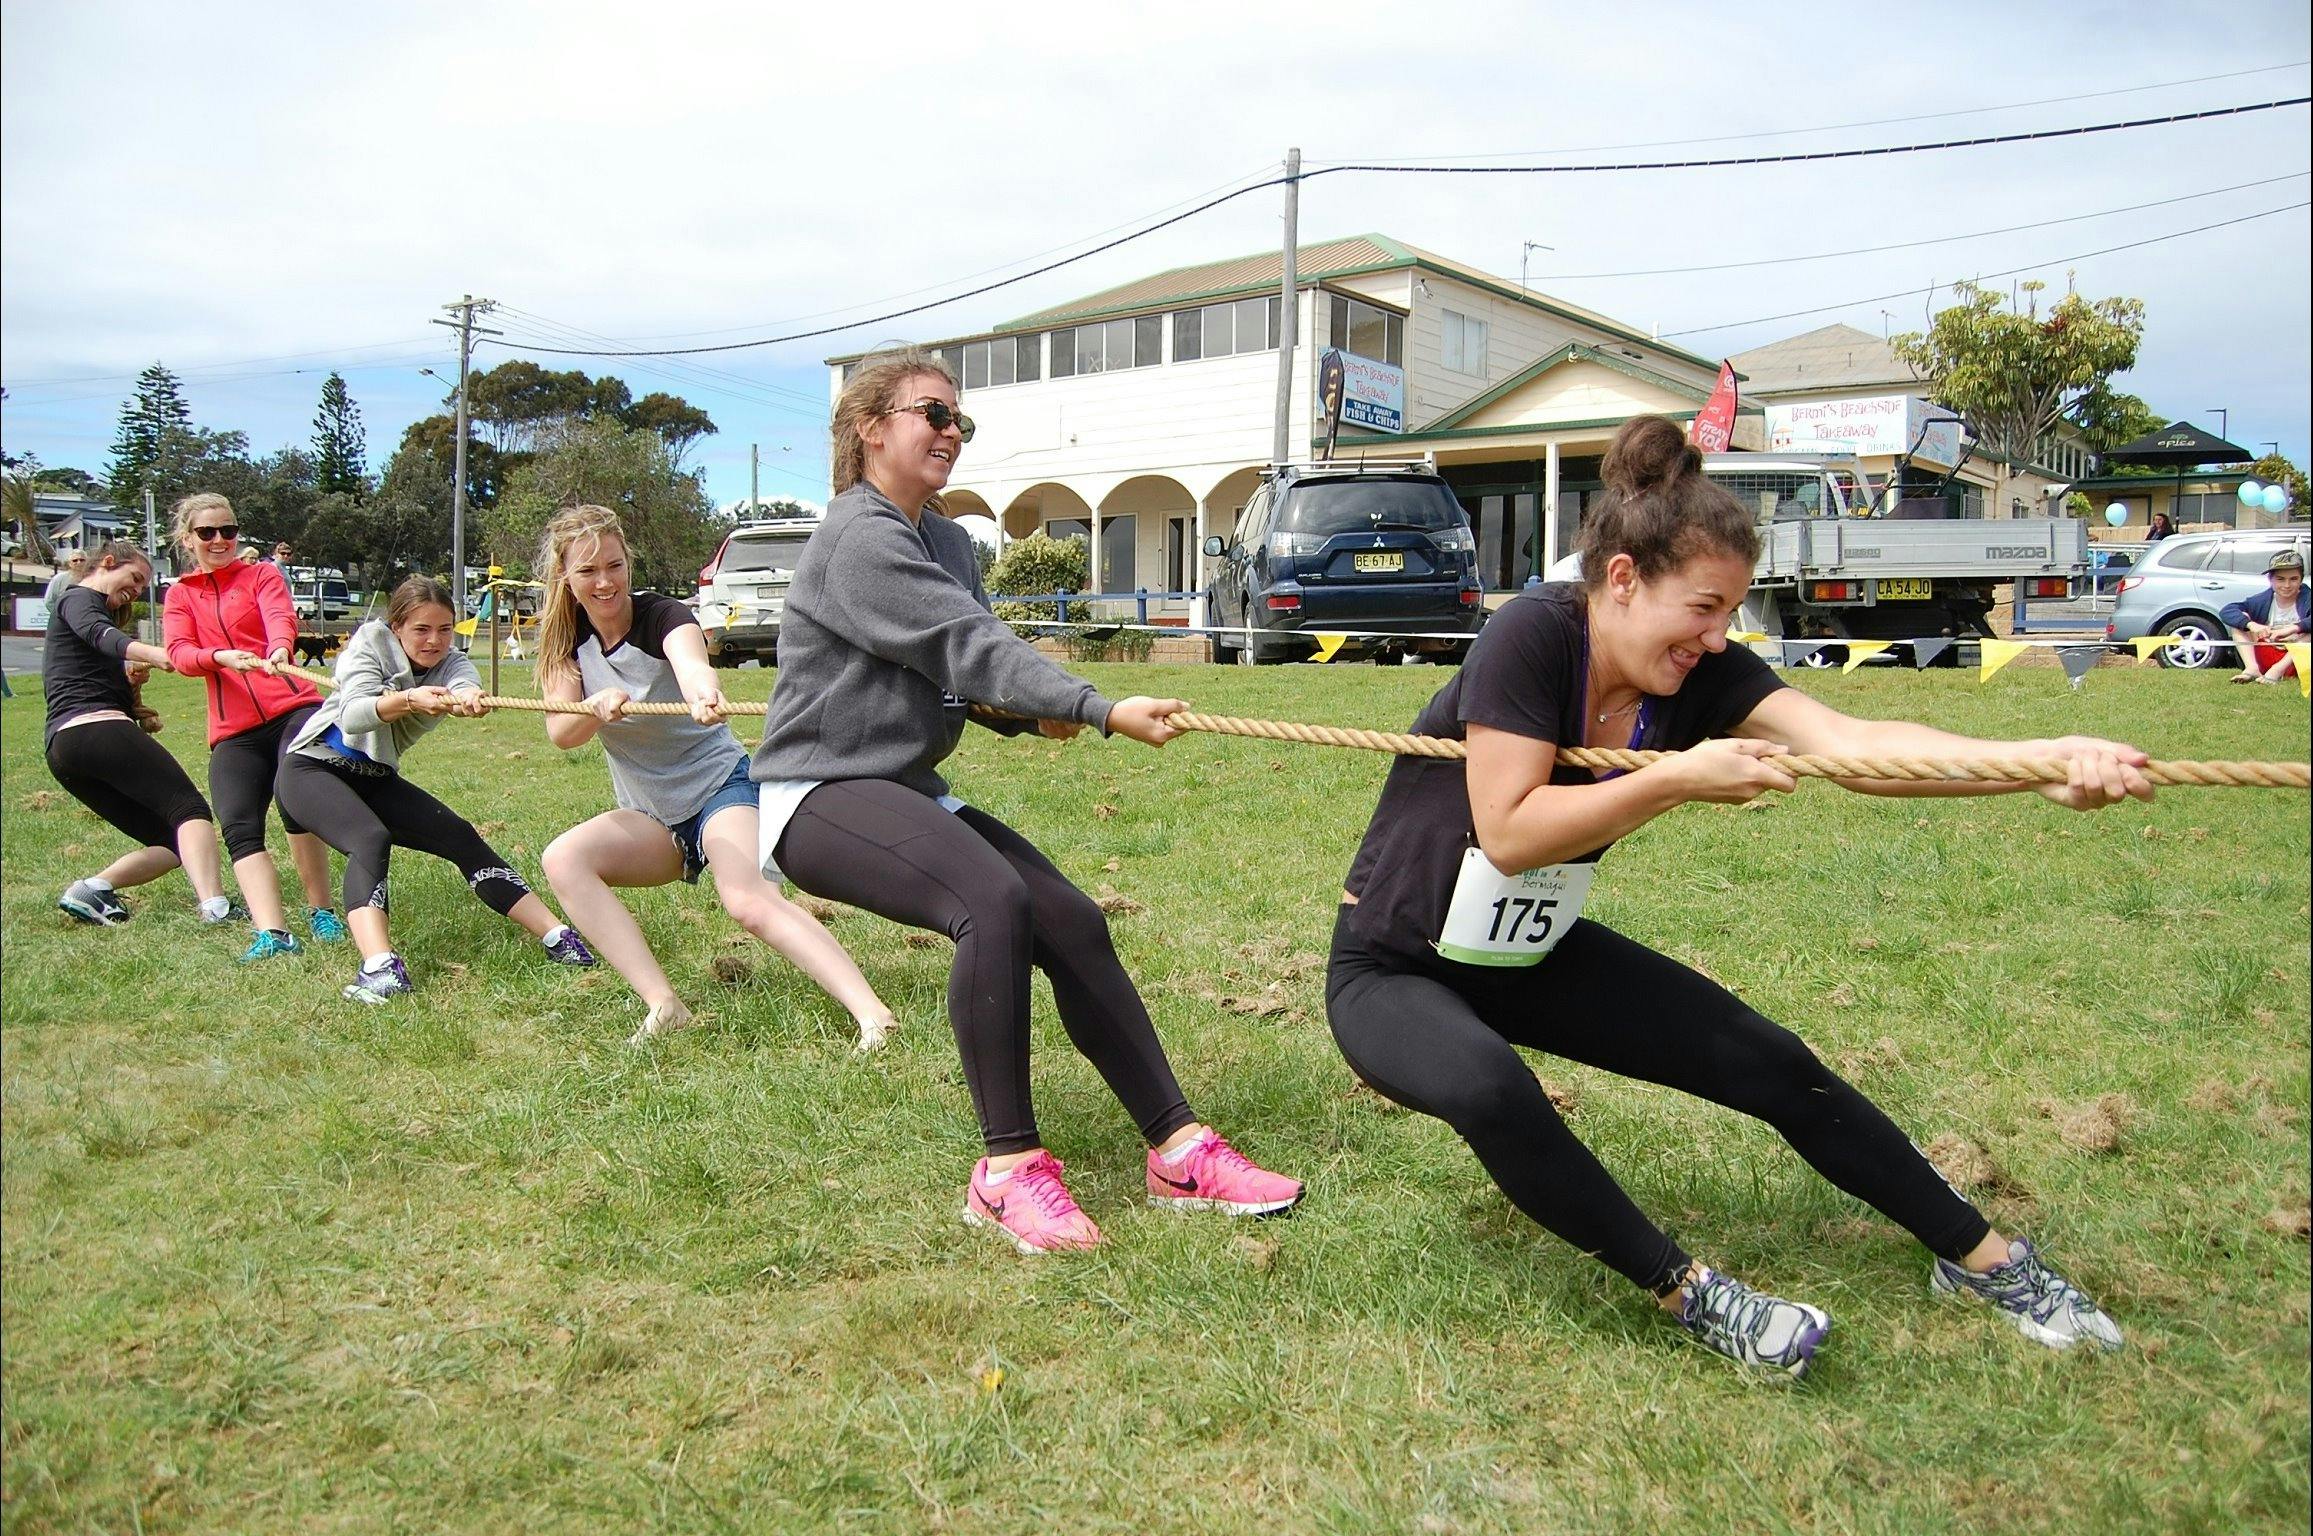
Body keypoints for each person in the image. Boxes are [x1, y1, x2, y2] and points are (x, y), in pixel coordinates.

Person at [1325, 415, 2148, 1380]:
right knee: (1489, 1086)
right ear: (1623, 580)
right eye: (1703, 609)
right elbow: (1508, 830)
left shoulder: (1697, 671)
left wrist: (2032, 765)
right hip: (1392, 968)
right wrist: (1676, 778)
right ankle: (1687, 1290)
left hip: (1518, 958)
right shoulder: (1533, 635)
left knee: (1767, 1060)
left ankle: (1983, 1260)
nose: (1719, 639)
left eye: (1733, 614)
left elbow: (1854, 748)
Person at [751, 349, 1302, 1256]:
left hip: (903, 788)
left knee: (1071, 922)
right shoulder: (858, 535)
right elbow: (963, 641)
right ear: (870, 429)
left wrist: (1020, 716)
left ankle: (1178, 1152)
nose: (950, 432)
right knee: (991, 901)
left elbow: (955, 671)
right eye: (932, 413)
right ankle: (1005, 1174)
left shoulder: (947, 541)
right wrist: (1096, 705)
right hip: (816, 795)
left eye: (959, 420)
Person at [531, 503, 900, 1051]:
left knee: (746, 899)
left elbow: (690, 661)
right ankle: (664, 1004)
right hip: (653, 816)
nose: (605, 582)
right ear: (565, 576)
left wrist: (703, 691)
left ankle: (875, 1016)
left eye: (614, 565)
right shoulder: (566, 641)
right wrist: (593, 706)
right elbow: (561, 731)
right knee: (563, 859)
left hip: (721, 790)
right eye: (588, 571)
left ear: (628, 562)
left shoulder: (661, 616)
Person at [276, 577, 599, 1004]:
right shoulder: (371, 642)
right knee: (370, 838)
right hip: (310, 769)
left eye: (445, 630)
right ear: (397, 628)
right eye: (421, 630)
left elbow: (465, 682)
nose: (435, 641)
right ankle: (379, 968)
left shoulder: (453, 662)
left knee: (460, 835)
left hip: (372, 776)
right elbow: (354, 715)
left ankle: (558, 937)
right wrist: (409, 698)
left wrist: (468, 698)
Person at [160, 492, 348, 960]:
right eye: (208, 532)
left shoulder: (262, 574)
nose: (220, 540)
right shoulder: (180, 595)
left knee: (295, 797)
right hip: (233, 729)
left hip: (292, 708)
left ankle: (321, 910)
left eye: (229, 530)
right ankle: (274, 934)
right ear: (189, 539)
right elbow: (179, 654)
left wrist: (281, 648)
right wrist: (218, 658)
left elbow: (278, 618)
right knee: (238, 822)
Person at [42, 541, 234, 926]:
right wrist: (156, 654)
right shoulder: (78, 597)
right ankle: (216, 907)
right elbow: (100, 634)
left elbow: (86, 668)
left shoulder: (88, 612)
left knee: (171, 840)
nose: (135, 589)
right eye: (134, 578)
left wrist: (130, 690)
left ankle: (93, 888)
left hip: (64, 750)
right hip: (94, 730)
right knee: (190, 810)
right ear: (108, 562)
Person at [2220, 547, 2307, 685]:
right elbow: (2227, 611)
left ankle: (2276, 672)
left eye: (2293, 579)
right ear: (2270, 580)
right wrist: (2252, 625)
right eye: (2280, 579)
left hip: (2298, 659)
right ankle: (2252, 669)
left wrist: (2293, 629)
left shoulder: (2307, 598)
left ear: (2301, 580)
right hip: (2268, 652)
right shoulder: (2262, 600)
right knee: (2240, 621)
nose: (2287, 585)